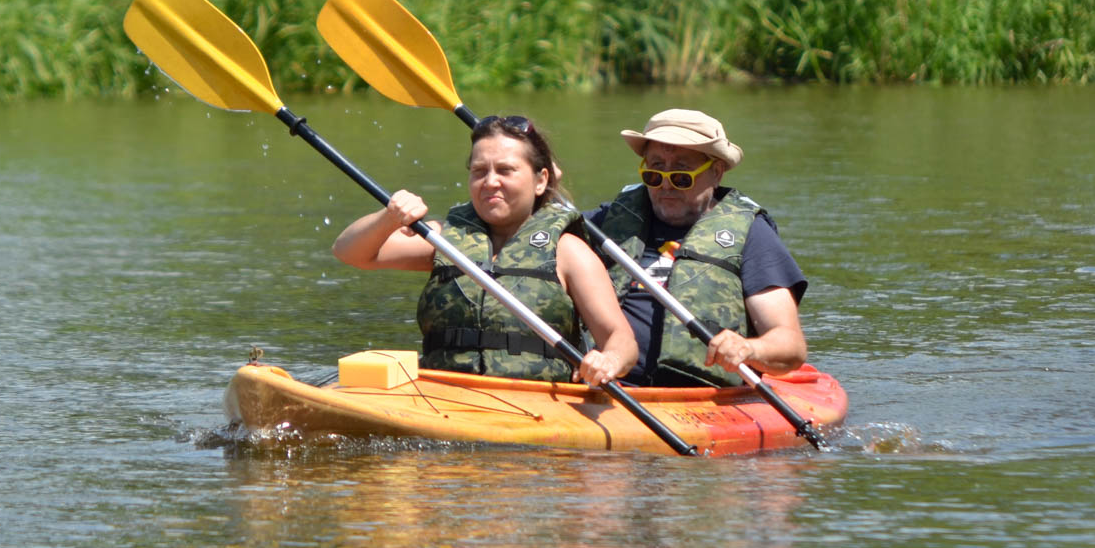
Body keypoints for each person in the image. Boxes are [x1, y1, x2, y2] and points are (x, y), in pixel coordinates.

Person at [332, 115, 638, 387]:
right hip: (444, 392)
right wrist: (389, 217)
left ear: (541, 180)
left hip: (537, 401)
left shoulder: (568, 251)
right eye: (479, 171)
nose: (491, 182)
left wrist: (607, 361)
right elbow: (350, 252)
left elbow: (621, 341)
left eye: (506, 170)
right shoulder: (443, 240)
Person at [584, 109, 807, 387]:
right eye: (654, 172)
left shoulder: (751, 234)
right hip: (605, 385)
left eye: (681, 176)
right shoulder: (606, 222)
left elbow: (790, 345)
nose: (665, 184)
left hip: (698, 398)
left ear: (716, 172)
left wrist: (750, 349)